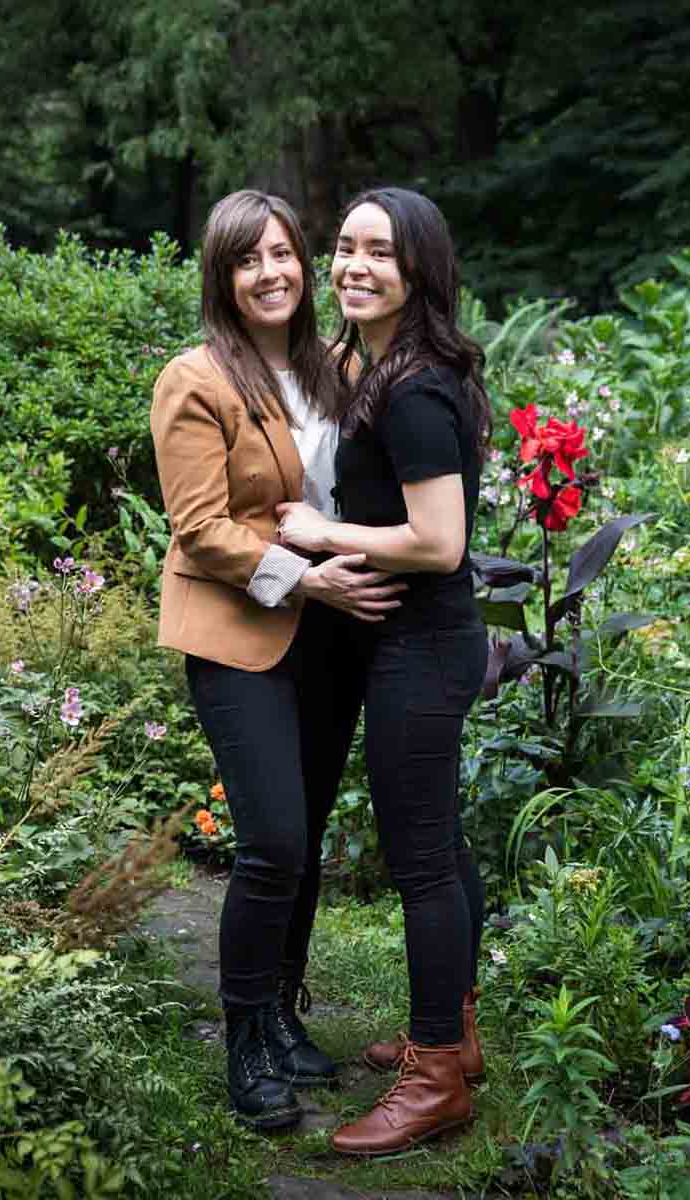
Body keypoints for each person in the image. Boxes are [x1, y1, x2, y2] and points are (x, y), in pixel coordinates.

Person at [149, 189, 407, 1131]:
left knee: (301, 851)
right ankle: (245, 1039)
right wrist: (311, 582)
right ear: (223, 276)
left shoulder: (331, 370)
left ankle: (284, 1012)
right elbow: (203, 528)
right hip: (241, 635)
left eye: (285, 254)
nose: (273, 273)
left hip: (329, 641)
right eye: (249, 259)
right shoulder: (196, 378)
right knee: (273, 846)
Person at [274, 186, 490, 1156]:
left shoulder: (414, 388)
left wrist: (323, 532)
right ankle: (458, 1030)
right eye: (345, 248)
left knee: (422, 862)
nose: (354, 266)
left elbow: (440, 541)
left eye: (380, 254)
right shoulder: (383, 365)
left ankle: (436, 1074)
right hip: (404, 638)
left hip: (423, 640)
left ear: (420, 271)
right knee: (439, 843)